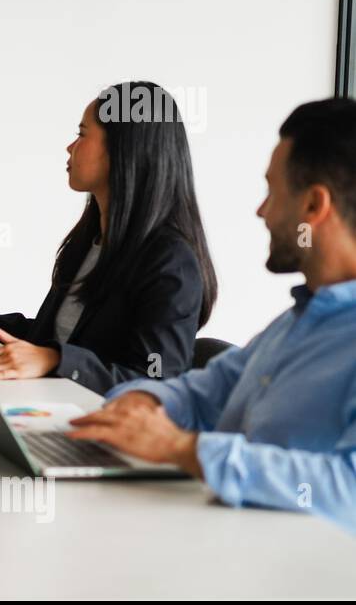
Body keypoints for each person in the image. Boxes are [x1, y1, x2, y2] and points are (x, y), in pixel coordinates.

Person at [68, 98, 356, 531]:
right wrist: (140, 403)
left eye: (272, 192)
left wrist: (185, 449)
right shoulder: (296, 321)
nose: (261, 212)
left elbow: (348, 489)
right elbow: (207, 391)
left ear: (313, 207)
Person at [0, 81, 217, 395]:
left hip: (108, 444)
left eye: (82, 135)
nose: (70, 147)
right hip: (57, 413)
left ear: (124, 152)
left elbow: (158, 383)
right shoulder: (92, 240)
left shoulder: (171, 262)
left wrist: (56, 360)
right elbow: (57, 336)